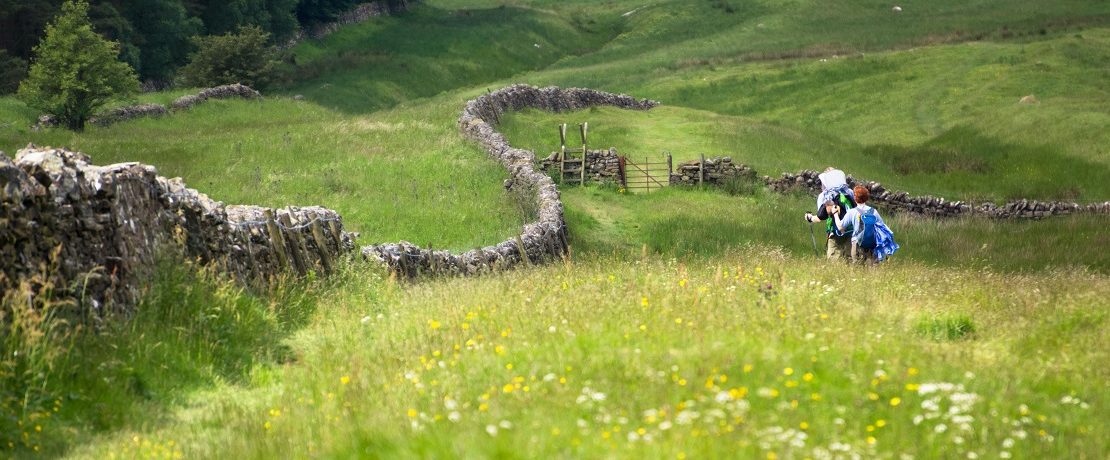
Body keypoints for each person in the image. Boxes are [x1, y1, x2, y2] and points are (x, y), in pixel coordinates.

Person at [804, 167, 856, 261]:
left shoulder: (825, 196)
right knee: (850, 260)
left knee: (834, 261)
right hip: (851, 230)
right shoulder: (849, 192)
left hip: (834, 232)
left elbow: (820, 217)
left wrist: (809, 217)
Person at [832, 185, 890, 264]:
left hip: (857, 245)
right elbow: (883, 228)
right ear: (866, 197)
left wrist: (835, 214)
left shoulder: (852, 212)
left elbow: (840, 227)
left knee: (857, 270)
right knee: (872, 273)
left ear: (855, 198)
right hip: (872, 246)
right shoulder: (874, 211)